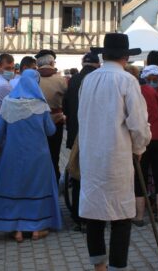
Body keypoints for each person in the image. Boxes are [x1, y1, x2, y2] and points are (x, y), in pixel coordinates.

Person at [78, 33, 151, 271]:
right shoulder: (127, 81)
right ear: (125, 57)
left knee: (95, 214)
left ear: (104, 54)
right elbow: (139, 124)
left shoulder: (88, 80)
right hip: (117, 155)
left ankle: (99, 267)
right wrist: (140, 148)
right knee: (121, 215)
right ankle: (117, 267)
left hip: (91, 155)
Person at [0, 69, 62, 242]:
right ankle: (36, 229)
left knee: (15, 188)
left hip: (12, 156)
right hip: (39, 157)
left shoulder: (8, 102)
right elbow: (50, 131)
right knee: (37, 189)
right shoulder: (41, 105)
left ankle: (17, 229)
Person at [63, 52, 100, 230]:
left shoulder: (74, 79)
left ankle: (78, 215)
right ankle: (92, 216)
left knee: (78, 176)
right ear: (97, 64)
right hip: (94, 135)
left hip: (75, 134)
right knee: (93, 177)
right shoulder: (98, 78)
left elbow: (65, 106)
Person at [133, 65, 158, 227]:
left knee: (140, 176)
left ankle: (140, 217)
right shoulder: (152, 91)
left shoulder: (135, 92)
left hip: (142, 138)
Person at [36, 49, 67, 183]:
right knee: (54, 153)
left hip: (36, 121)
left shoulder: (34, 78)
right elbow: (66, 100)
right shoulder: (60, 80)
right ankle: (54, 179)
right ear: (51, 62)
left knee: (38, 153)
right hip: (56, 121)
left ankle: (39, 179)